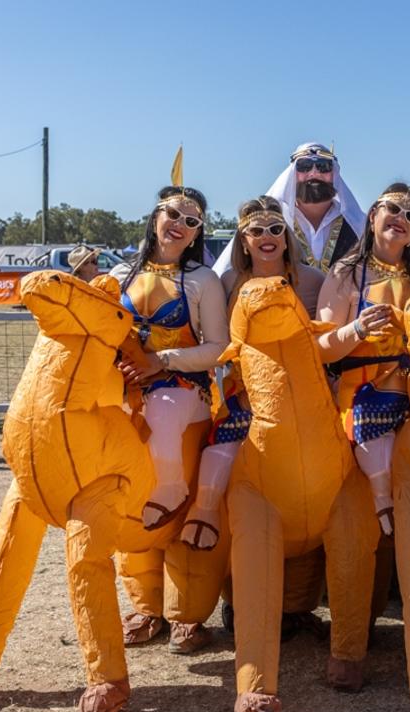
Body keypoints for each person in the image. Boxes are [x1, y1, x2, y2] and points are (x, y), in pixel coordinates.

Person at [111, 185, 229, 652]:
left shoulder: (203, 280)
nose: (180, 224)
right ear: (155, 217)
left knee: (164, 419)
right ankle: (144, 604)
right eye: (173, 213)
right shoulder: (121, 273)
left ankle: (188, 611)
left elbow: (217, 347)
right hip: (124, 391)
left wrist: (162, 363)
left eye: (192, 220)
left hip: (181, 390)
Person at [180, 195, 325, 551]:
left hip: (300, 392)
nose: (267, 236)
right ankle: (205, 514)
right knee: (223, 450)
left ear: (286, 235)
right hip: (242, 389)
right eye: (256, 230)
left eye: (275, 229)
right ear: (243, 239)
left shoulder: (311, 280)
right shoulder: (227, 281)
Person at [317, 183, 410, 536]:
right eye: (393, 209)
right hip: (362, 390)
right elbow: (321, 346)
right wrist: (357, 330)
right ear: (373, 215)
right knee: (375, 440)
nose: (401, 219)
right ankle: (385, 506)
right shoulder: (346, 273)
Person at [213, 142, 365, 274]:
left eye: (323, 167)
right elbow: (228, 269)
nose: (313, 173)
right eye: (304, 167)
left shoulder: (357, 224)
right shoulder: (273, 219)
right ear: (292, 173)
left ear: (334, 174)